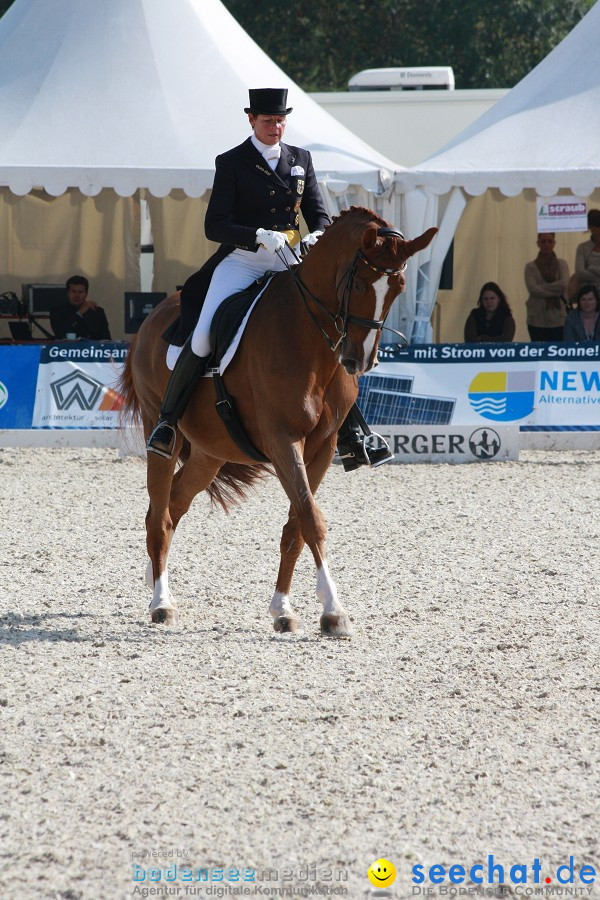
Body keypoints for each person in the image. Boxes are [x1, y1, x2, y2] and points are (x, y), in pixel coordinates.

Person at [146, 88, 393, 471]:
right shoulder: (232, 162)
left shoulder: (301, 159)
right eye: (267, 121)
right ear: (251, 120)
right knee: (202, 335)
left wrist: (317, 234)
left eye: (280, 121)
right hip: (243, 261)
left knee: (330, 330)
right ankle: (166, 422)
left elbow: (318, 213)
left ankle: (352, 432)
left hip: (289, 261)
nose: (275, 127)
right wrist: (255, 235)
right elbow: (215, 225)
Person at [524, 233, 569, 341]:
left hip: (559, 319)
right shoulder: (530, 267)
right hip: (537, 320)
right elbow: (533, 290)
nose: (546, 245)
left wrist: (541, 286)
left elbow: (563, 285)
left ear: (554, 243)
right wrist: (556, 292)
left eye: (549, 241)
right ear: (538, 243)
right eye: (543, 241)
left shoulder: (562, 264)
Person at [50, 275, 111, 340]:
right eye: (73, 291)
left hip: (93, 349)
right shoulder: (57, 311)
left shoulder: (98, 312)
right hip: (68, 349)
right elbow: (61, 334)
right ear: (67, 293)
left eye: (80, 292)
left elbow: (106, 339)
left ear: (86, 294)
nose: (77, 295)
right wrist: (80, 313)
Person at [574, 209, 600, 292]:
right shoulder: (582, 248)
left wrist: (591, 268)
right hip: (588, 295)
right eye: (597, 226)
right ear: (590, 227)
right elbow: (580, 273)